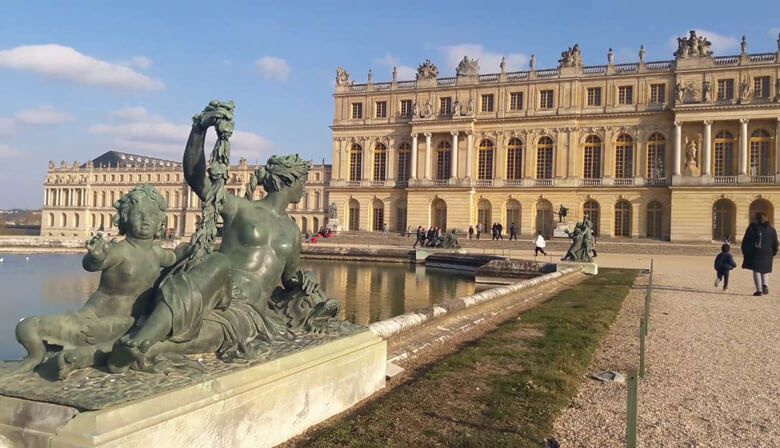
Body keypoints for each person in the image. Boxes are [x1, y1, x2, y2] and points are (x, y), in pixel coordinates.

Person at [106, 109, 335, 373]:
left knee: (210, 336)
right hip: (213, 289)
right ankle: (140, 339)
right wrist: (199, 129)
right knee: (217, 262)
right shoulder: (242, 209)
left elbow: (290, 278)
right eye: (302, 182)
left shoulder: (293, 232)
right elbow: (196, 178)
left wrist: (307, 281)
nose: (305, 189)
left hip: (246, 311)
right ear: (288, 181)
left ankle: (141, 349)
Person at [9, 186, 184, 378]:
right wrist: (96, 256)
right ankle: (37, 356)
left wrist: (199, 244)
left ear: (160, 221)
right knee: (26, 326)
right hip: (93, 321)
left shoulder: (158, 254)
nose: (145, 220)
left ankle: (81, 355)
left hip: (128, 324)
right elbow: (94, 263)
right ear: (125, 217)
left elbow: (177, 256)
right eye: (139, 215)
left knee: (130, 340)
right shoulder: (119, 250)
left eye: (152, 215)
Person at [741, 212, 779, 296]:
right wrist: (774, 251)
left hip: (756, 251)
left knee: (756, 270)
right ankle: (765, 284)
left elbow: (747, 240)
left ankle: (759, 290)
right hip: (768, 252)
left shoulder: (753, 228)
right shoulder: (772, 229)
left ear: (757, 219)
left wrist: (745, 251)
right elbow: (775, 242)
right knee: (765, 270)